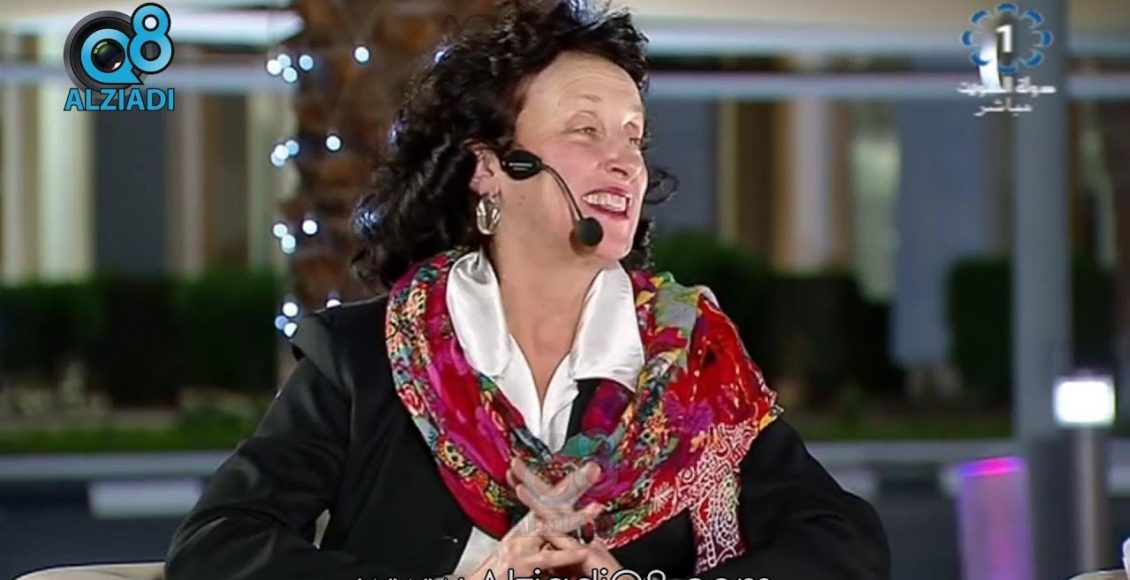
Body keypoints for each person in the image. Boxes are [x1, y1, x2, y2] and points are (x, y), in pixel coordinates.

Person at [164, 1, 890, 579]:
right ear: (490, 168)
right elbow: (221, 545)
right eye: (585, 130)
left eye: (633, 137)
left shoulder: (691, 362)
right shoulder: (365, 358)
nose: (623, 162)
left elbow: (843, 544)